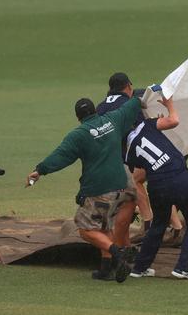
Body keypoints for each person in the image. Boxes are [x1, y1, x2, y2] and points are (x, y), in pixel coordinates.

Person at [26, 95, 141, 283]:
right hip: (125, 185)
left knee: (85, 229)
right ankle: (107, 269)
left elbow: (60, 156)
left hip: (102, 189)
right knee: (104, 224)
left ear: (78, 117)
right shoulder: (112, 119)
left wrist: (40, 170)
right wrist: (145, 94)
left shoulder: (79, 135)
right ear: (95, 110)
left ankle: (118, 253)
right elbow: (132, 105)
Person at [126, 96, 188, 279]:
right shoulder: (149, 124)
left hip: (156, 184)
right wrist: (169, 105)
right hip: (178, 176)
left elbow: (141, 166)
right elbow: (174, 120)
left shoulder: (129, 145)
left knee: (158, 225)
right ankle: (183, 267)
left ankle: (139, 268)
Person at [96, 72, 153, 249]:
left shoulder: (100, 107)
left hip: (102, 163)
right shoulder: (129, 104)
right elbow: (141, 131)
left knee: (116, 203)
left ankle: (122, 243)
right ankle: (143, 230)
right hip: (123, 162)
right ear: (128, 86)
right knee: (128, 201)